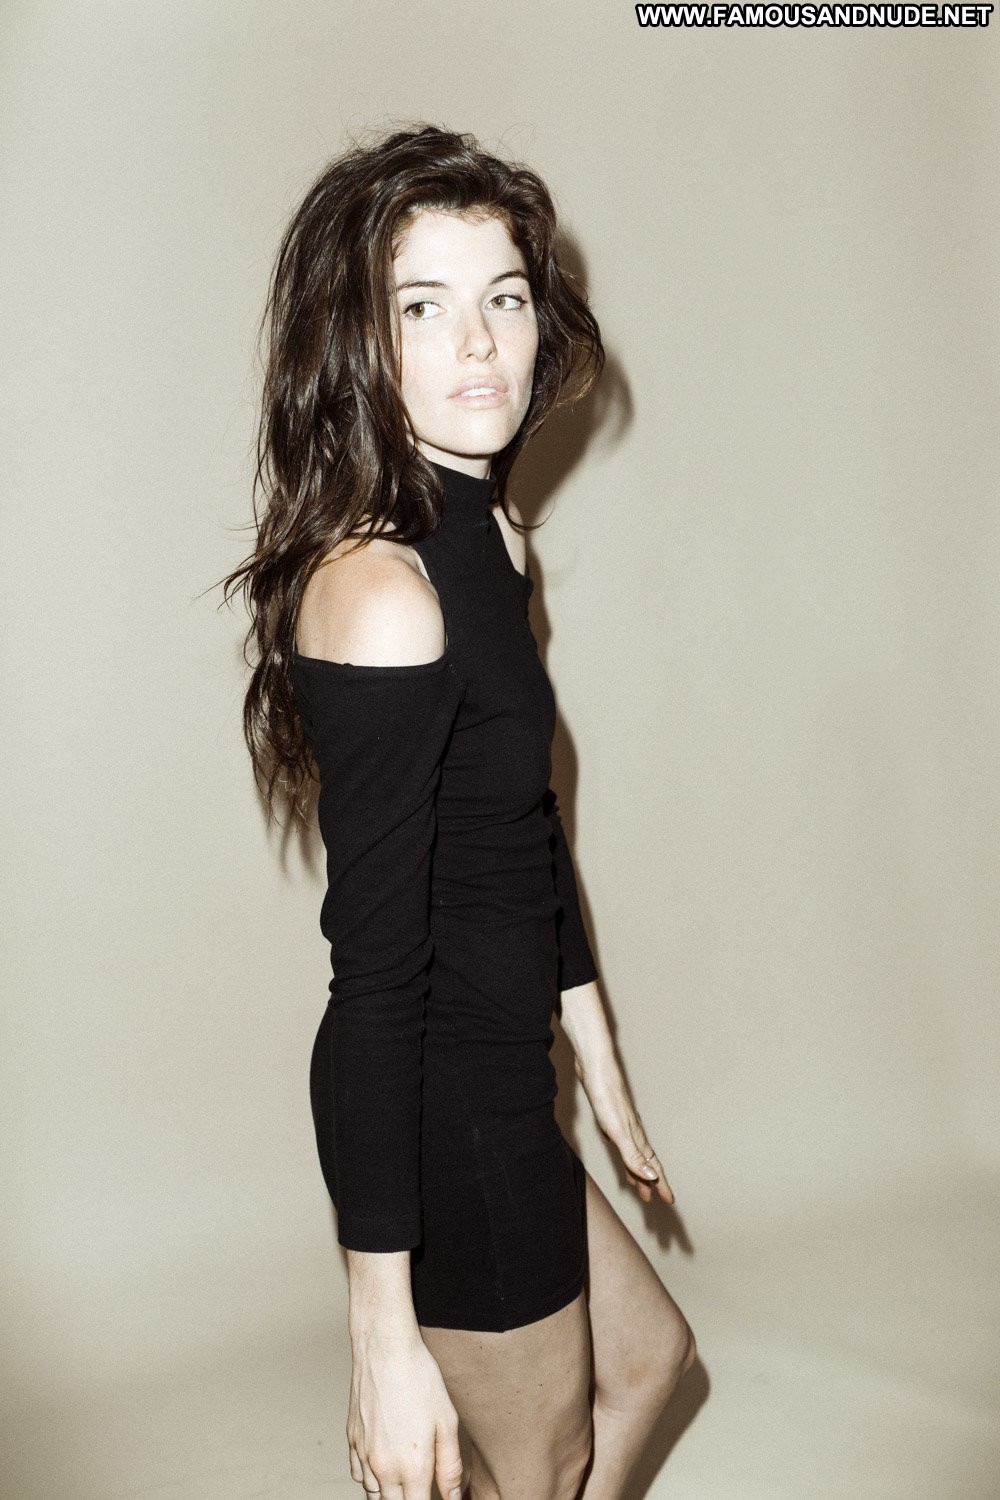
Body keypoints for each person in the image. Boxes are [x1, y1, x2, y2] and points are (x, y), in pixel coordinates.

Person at [225, 124, 695, 1500]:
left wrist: (595, 1053)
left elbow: (519, 822)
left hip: (503, 1075)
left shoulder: (492, 533)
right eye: (421, 307)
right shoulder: (383, 592)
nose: (480, 341)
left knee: (651, 1365)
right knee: (540, 1466)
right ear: (354, 346)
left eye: (505, 296)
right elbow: (371, 989)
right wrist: (381, 1336)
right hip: (442, 1106)